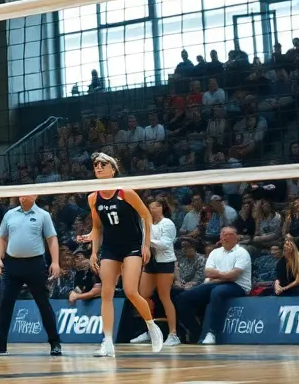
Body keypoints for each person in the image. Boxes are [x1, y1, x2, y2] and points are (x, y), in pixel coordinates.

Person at [88, 152, 163, 356]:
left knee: (131, 291)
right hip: (110, 247)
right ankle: (108, 342)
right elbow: (97, 227)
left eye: (103, 164)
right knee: (106, 293)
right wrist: (94, 250)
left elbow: (146, 215)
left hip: (131, 245)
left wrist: (146, 245)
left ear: (113, 169)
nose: (99, 167)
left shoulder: (125, 192)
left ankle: (152, 327)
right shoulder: (93, 197)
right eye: (96, 165)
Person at [0, 194, 63, 357]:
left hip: (35, 265)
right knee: (5, 304)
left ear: (34, 195)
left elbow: (52, 240)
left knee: (43, 304)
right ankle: (0, 346)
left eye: (25, 192)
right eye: (20, 193)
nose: (21, 196)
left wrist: (55, 262)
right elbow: (1, 238)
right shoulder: (10, 214)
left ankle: (55, 343)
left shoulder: (43, 215)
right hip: (12, 265)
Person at [175, 225, 251, 345]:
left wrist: (217, 275)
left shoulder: (242, 252)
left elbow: (234, 276)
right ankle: (195, 330)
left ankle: (212, 332)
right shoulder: (215, 252)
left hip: (238, 286)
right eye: (222, 234)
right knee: (183, 298)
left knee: (217, 292)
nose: (224, 237)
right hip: (215, 283)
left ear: (236, 237)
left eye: (227, 234)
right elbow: (208, 272)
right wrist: (224, 274)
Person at [130, 199, 180, 348]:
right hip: (151, 262)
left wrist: (147, 242)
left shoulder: (168, 224)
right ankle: (150, 331)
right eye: (149, 207)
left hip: (165, 262)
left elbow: (165, 244)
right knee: (142, 295)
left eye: (153, 207)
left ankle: (173, 334)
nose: (150, 209)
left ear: (161, 208)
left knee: (165, 297)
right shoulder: (147, 223)